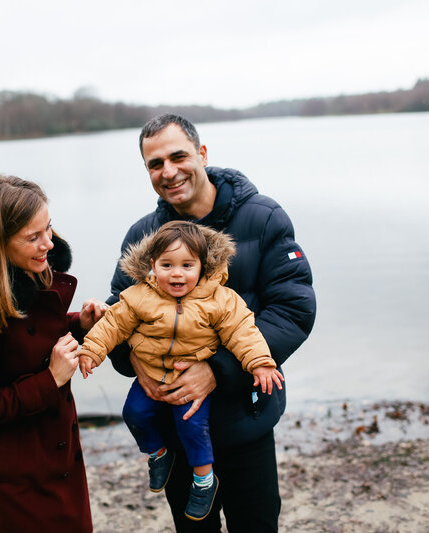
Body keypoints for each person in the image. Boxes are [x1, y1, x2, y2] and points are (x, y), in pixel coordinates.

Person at [105, 114, 316, 532]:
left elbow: (292, 310)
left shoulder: (263, 218)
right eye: (155, 163)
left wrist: (217, 370)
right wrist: (132, 358)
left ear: (201, 154)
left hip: (244, 418)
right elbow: (121, 315)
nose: (169, 172)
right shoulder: (144, 235)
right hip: (175, 425)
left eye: (178, 156)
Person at [78, 221, 285, 521]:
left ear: (203, 266)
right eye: (167, 265)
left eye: (188, 265)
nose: (177, 273)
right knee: (133, 413)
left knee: (190, 425)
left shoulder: (219, 300)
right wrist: (92, 351)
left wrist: (261, 363)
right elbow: (113, 325)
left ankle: (204, 480)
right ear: (153, 265)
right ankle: (157, 453)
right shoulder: (138, 296)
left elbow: (243, 332)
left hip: (192, 380)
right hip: (152, 374)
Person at [0, 174, 106, 533]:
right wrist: (51, 380)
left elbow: (31, 340)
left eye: (49, 228)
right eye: (33, 237)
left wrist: (79, 325)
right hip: (11, 472)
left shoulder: (30, 272)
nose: (48, 244)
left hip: (58, 450)